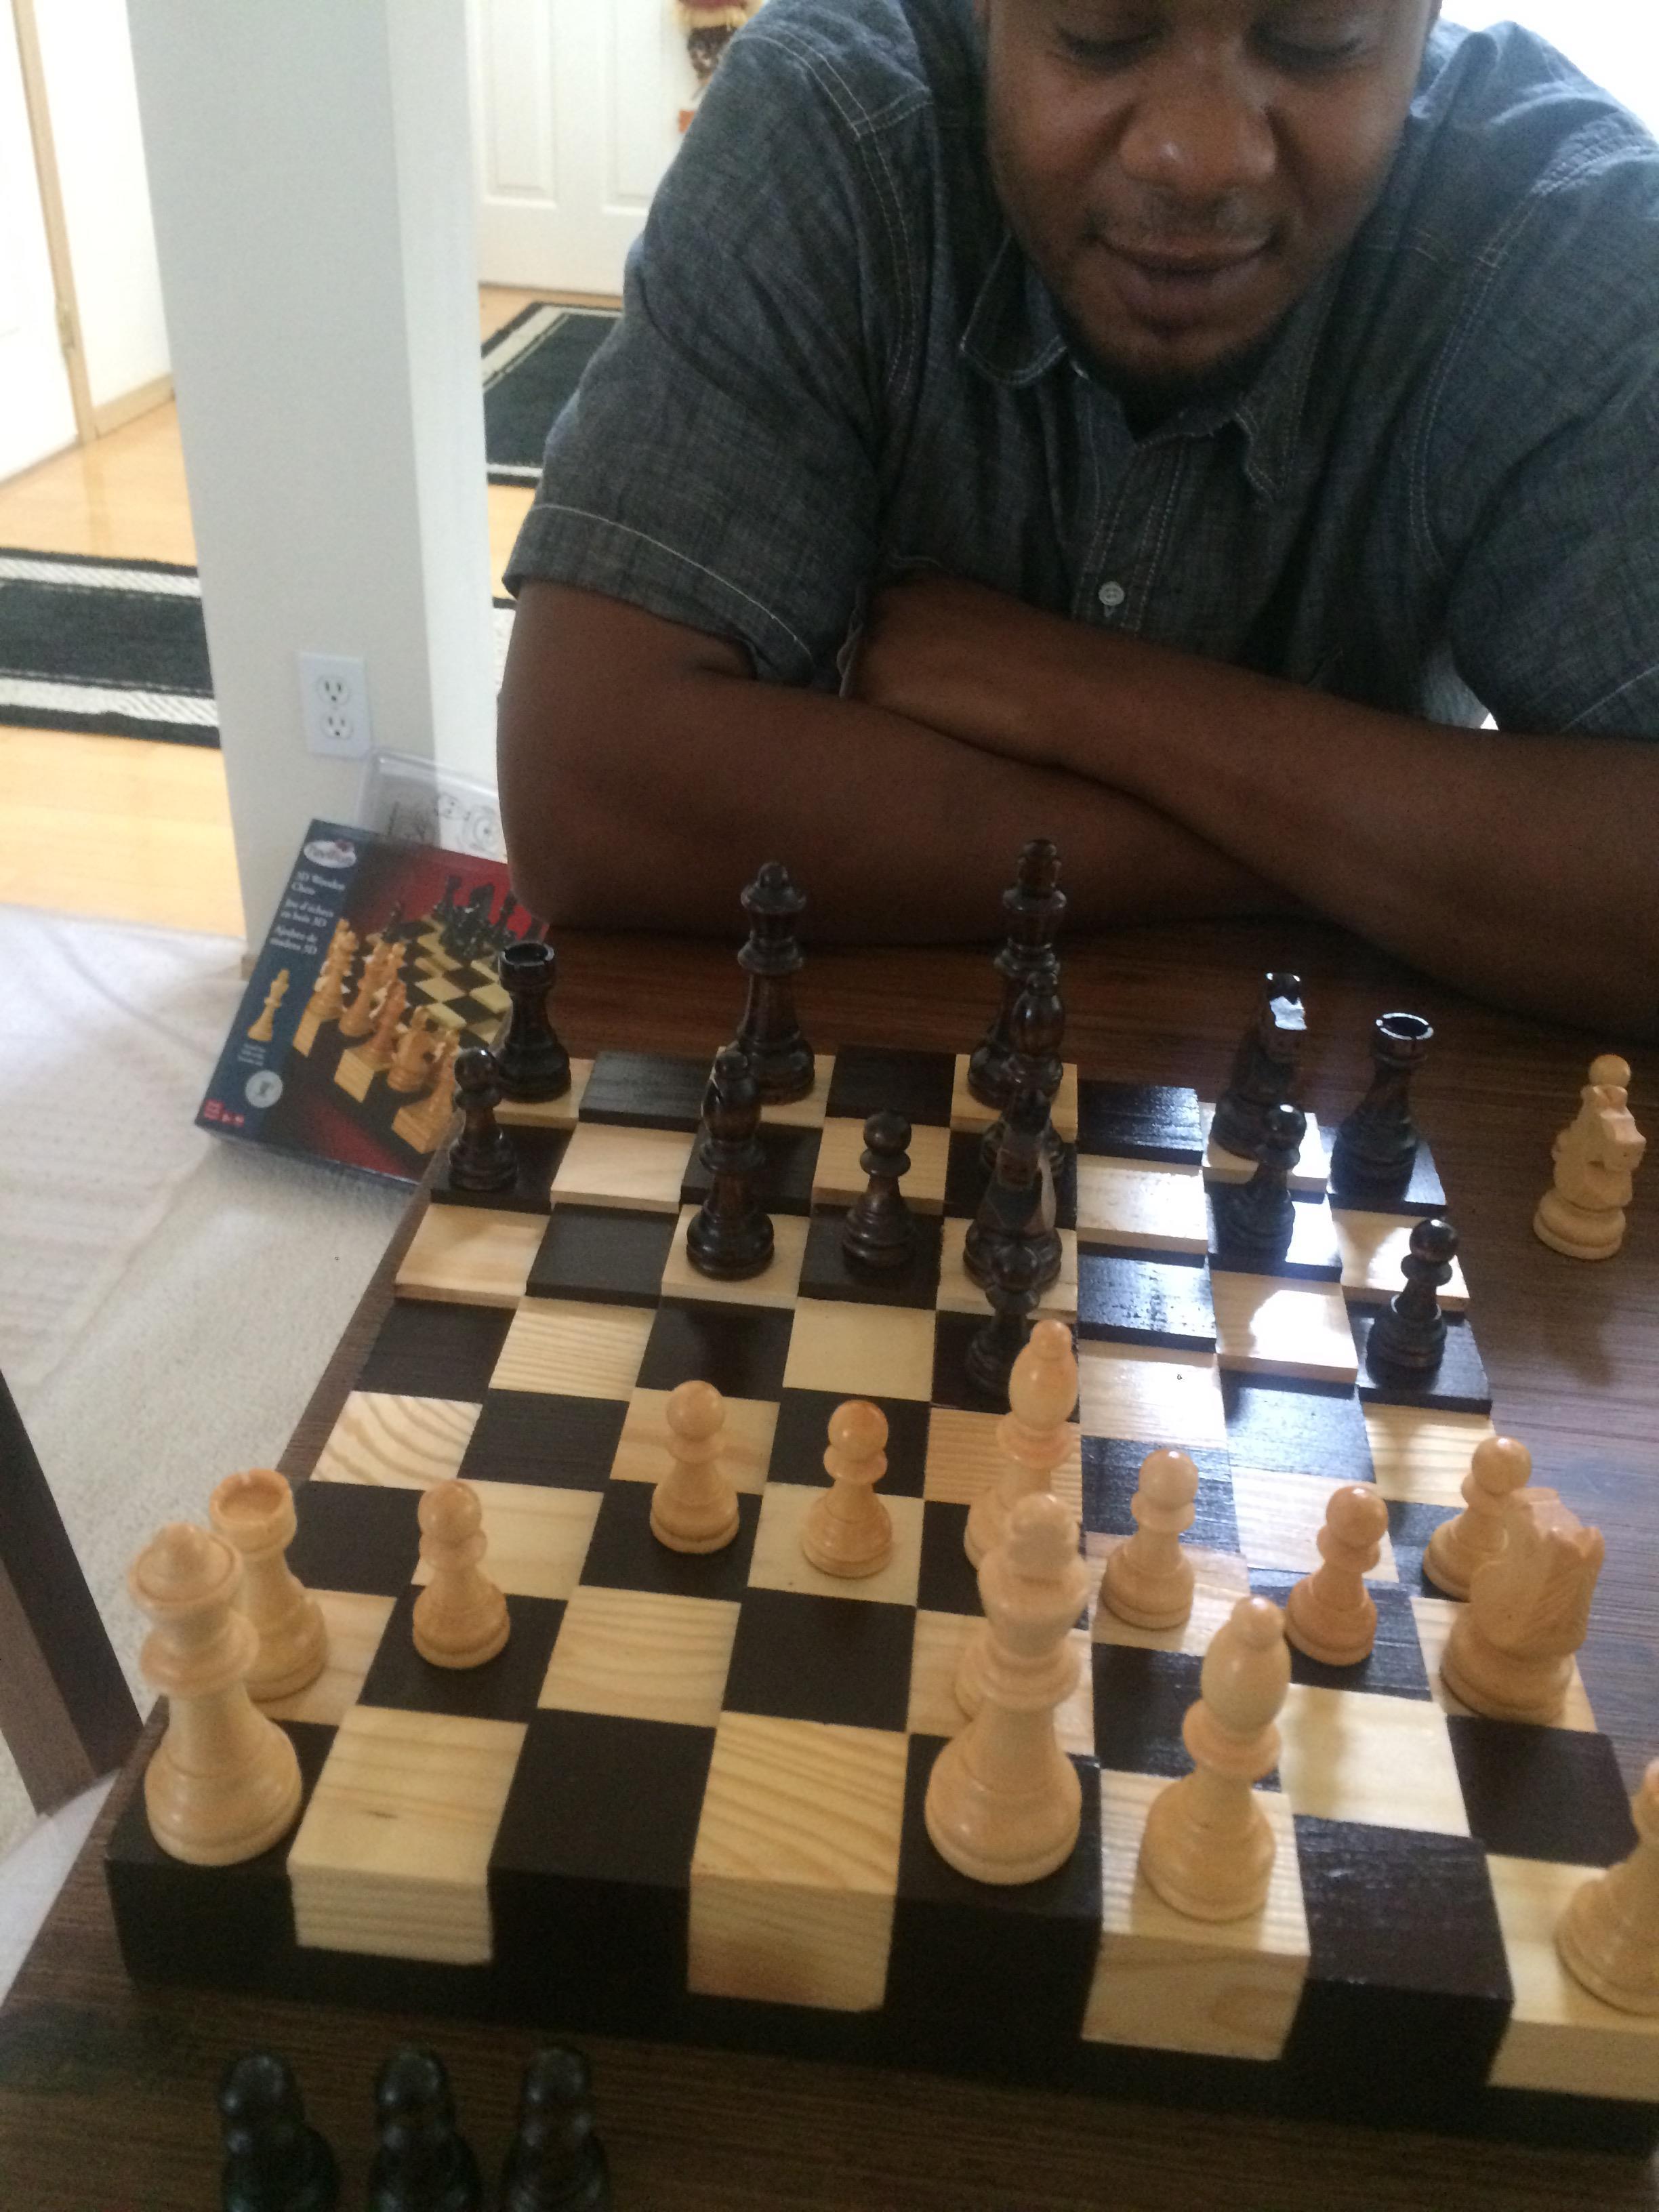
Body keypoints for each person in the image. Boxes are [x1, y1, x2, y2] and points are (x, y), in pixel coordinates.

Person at [496, 0, 1659, 1032]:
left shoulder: (1564, 230)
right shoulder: (831, 122)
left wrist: (1074, 693)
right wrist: (1341, 846)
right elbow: (584, 792)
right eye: (1104, 35)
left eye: (1317, 44)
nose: (1199, 157)